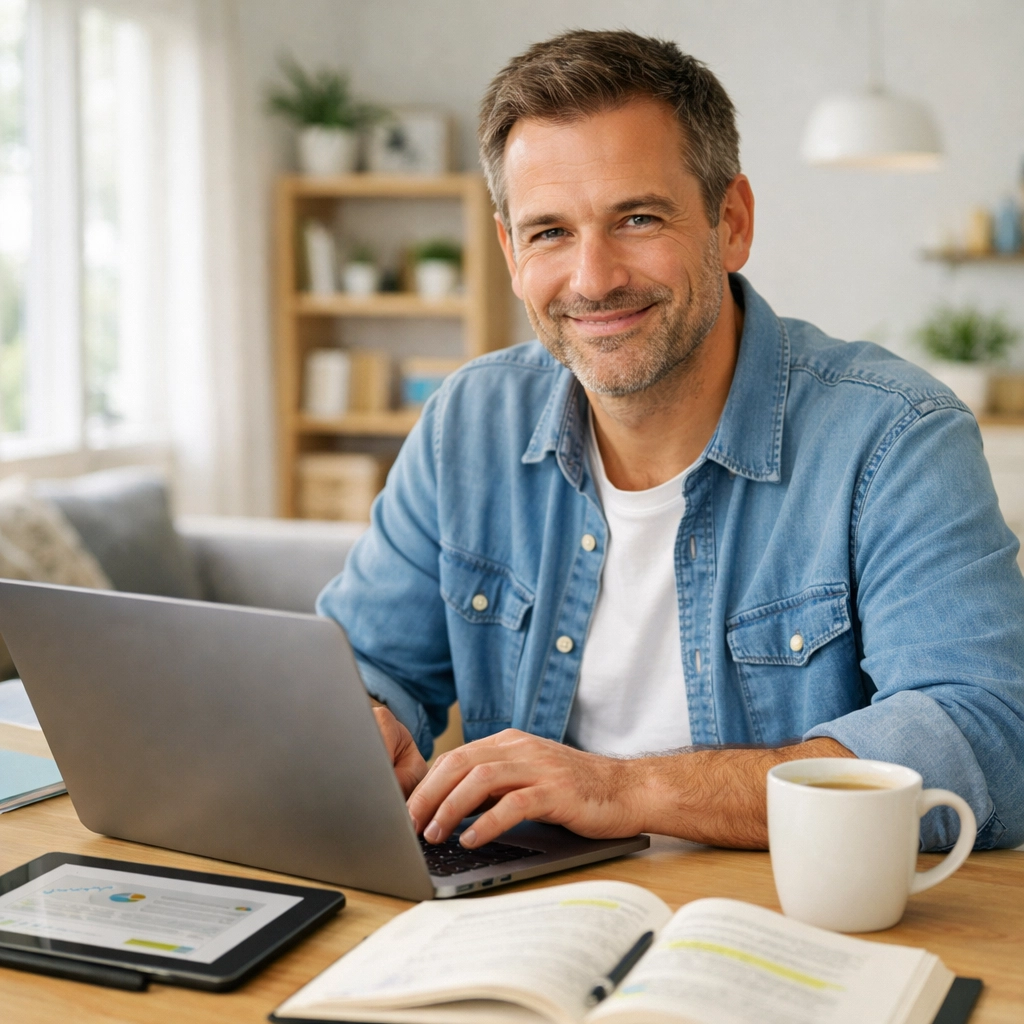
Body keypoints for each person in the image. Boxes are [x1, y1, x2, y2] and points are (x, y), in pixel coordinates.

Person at [318, 29, 1024, 854]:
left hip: (778, 931)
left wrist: (630, 789)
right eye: (549, 232)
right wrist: (360, 722)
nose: (593, 279)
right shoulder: (467, 423)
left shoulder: (894, 436)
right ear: (510, 253)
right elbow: (363, 667)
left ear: (731, 223)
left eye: (638, 218)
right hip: (521, 922)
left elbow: (987, 737)